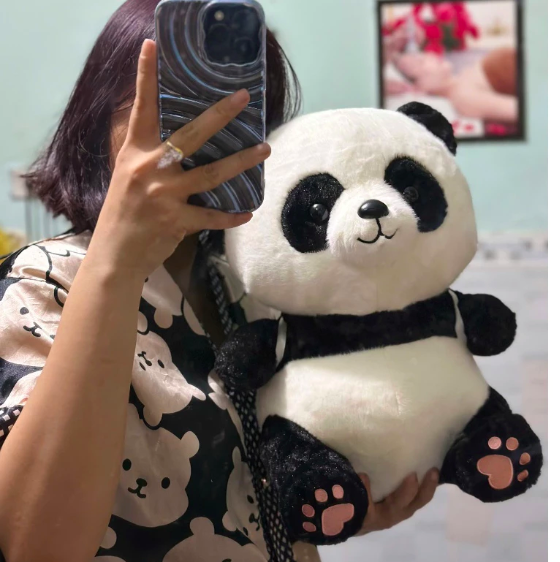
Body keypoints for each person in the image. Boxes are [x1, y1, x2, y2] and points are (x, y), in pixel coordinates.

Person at [0, 1, 439, 561]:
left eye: (239, 115)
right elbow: (36, 547)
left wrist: (330, 510)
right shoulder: (43, 283)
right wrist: (117, 259)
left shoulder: (247, 288)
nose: (203, 137)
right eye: (174, 109)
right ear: (98, 116)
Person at [394, 47, 519, 123]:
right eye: (421, 62)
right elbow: (520, 110)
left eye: (424, 55)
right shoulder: (463, 98)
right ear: (418, 89)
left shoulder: (463, 76)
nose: (431, 56)